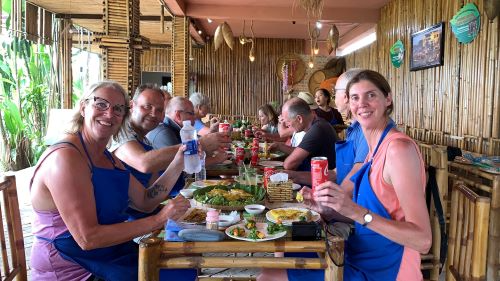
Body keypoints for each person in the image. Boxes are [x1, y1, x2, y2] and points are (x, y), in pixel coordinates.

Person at [29, 81, 193, 281]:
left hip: (108, 252)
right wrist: (159, 220)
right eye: (101, 104)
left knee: (186, 268)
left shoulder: (105, 156)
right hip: (73, 267)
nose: (109, 114)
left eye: (118, 109)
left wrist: (179, 161)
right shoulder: (66, 158)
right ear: (83, 107)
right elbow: (88, 238)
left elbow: (145, 201)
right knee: (177, 275)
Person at [308, 70, 431, 280]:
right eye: (355, 97)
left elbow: (422, 240)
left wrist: (356, 212)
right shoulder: (373, 149)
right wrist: (329, 211)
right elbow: (372, 214)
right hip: (360, 254)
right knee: (279, 263)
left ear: (388, 99)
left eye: (371, 95)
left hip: (388, 268)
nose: (362, 103)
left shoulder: (398, 150)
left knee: (273, 275)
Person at [146, 96, 227, 193]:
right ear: (178, 115)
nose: (194, 117)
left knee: (224, 185)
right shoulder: (164, 133)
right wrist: (216, 159)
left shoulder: (179, 130)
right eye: (191, 113)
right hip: (171, 192)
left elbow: (198, 150)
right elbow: (186, 166)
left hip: (183, 184)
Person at [280, 97, 338, 171]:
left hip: (320, 180)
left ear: (299, 119)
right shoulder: (317, 124)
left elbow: (289, 164)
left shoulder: (317, 129)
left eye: (287, 121)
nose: (286, 124)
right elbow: (301, 150)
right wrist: (279, 146)